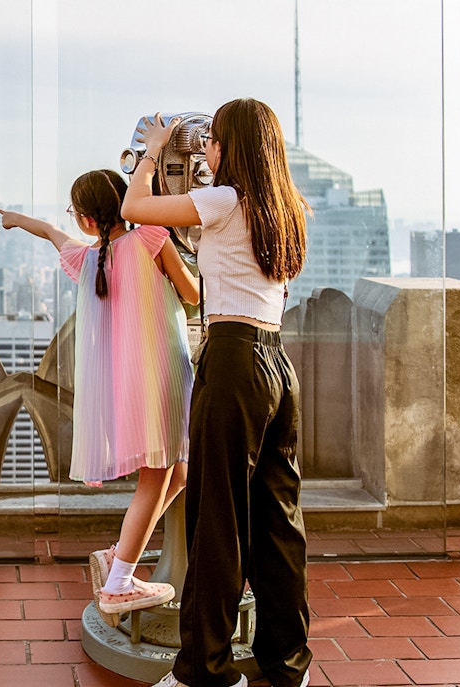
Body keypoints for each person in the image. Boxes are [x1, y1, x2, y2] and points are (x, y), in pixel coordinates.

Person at [122, 99, 311, 687]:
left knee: (216, 521)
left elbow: (134, 207)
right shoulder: (288, 208)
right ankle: (288, 667)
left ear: (235, 147)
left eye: (213, 141)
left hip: (231, 361)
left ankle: (202, 673)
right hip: (278, 365)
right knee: (279, 522)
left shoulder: (223, 202)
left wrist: (152, 151)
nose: (205, 151)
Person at [0, 168, 199, 622]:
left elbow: (51, 232)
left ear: (87, 220)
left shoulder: (89, 260)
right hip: (162, 376)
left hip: (129, 387)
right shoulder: (151, 238)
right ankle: (119, 583)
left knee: (181, 472)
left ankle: (118, 555)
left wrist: (14, 219)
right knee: (159, 473)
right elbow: (193, 296)